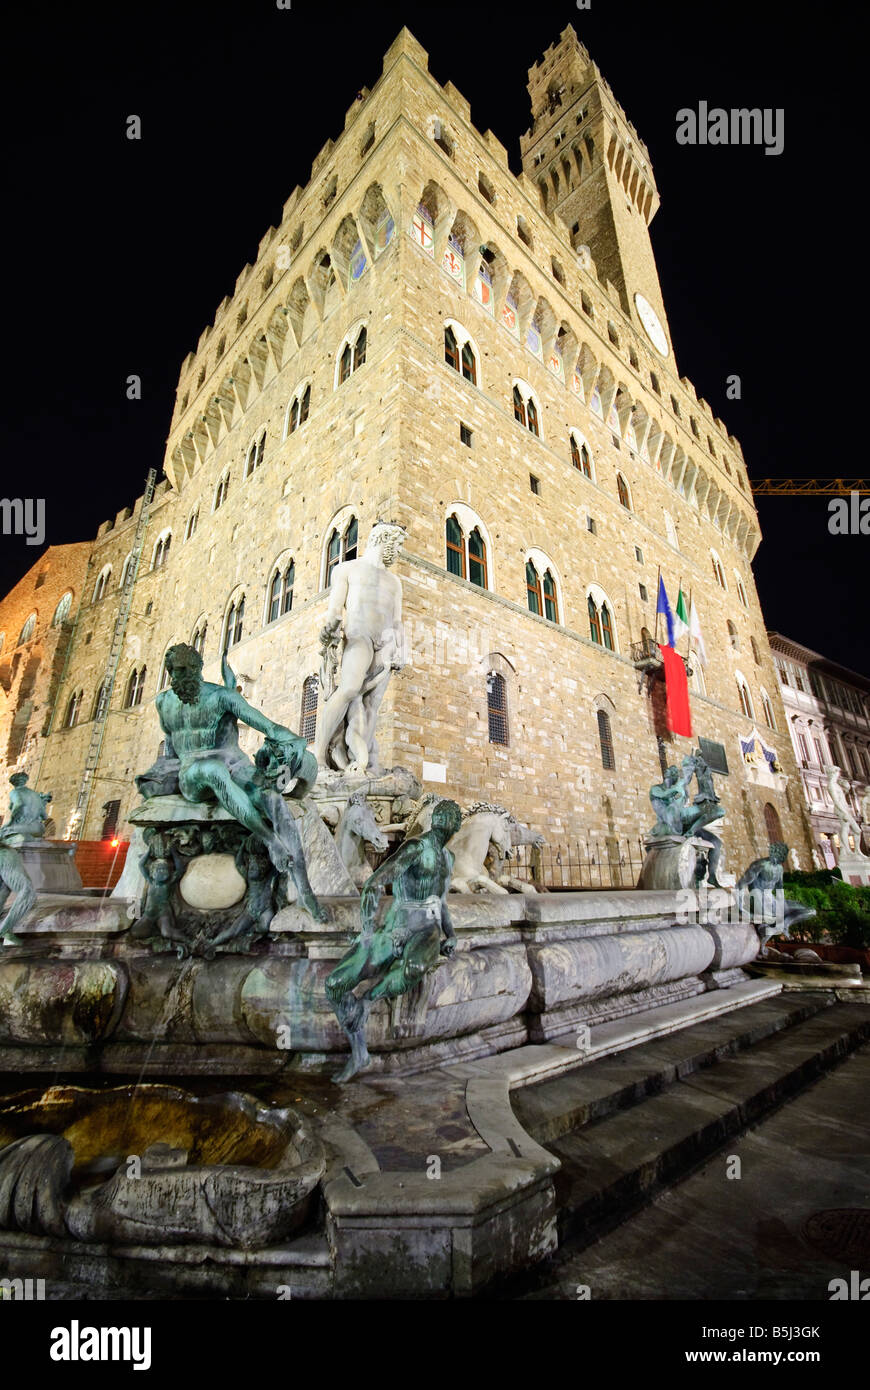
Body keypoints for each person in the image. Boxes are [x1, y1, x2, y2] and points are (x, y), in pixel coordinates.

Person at [136, 642, 325, 921]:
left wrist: (294, 741)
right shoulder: (164, 703)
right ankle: (271, 841)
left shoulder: (222, 696)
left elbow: (267, 726)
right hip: (194, 774)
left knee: (271, 797)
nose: (178, 677)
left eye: (185, 670)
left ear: (198, 669)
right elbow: (172, 747)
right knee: (213, 770)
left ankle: (305, 889)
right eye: (173, 672)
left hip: (236, 765)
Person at [325, 799, 462, 1083]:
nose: (445, 823)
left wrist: (451, 935)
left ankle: (367, 1000)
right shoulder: (415, 847)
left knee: (414, 967)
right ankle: (359, 1052)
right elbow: (375, 883)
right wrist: (367, 934)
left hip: (427, 930)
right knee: (335, 984)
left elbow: (442, 902)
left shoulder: (448, 858)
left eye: (448, 818)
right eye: (445, 817)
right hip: (395, 927)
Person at [315, 522, 406, 774]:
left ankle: (360, 763)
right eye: (398, 544)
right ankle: (319, 755)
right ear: (384, 538)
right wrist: (330, 628)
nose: (399, 550)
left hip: (386, 641)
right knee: (349, 689)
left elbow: (397, 620)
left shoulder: (395, 581)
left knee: (372, 705)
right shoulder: (347, 569)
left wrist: (401, 648)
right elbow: (335, 610)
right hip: (359, 636)